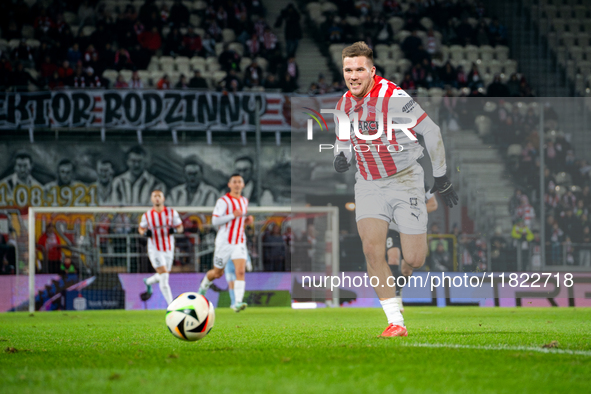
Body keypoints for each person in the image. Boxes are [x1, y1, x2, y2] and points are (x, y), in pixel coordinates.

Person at [332, 42, 458, 337]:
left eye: (359, 69)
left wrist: (440, 178)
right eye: (348, 70)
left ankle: (405, 267)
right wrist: (341, 158)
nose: (353, 75)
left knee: (415, 258)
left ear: (371, 71)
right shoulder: (342, 105)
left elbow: (431, 131)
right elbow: (343, 144)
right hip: (368, 183)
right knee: (371, 249)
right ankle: (395, 321)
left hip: (405, 179)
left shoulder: (393, 96)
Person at [198, 173, 253, 312]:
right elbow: (215, 221)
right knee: (217, 273)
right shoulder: (223, 201)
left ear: (243, 185)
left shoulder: (244, 201)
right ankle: (203, 286)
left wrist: (245, 221)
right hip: (224, 243)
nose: (237, 184)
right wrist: (232, 215)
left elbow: (238, 222)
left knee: (240, 271)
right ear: (229, 185)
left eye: (239, 181)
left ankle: (237, 303)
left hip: (239, 241)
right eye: (234, 181)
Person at [386, 187, 438, 312]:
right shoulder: (389, 177)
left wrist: (411, 212)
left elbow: (433, 204)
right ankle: (395, 296)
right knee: (393, 259)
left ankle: (399, 290)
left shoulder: (422, 181)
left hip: (411, 228)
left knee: (407, 269)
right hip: (392, 228)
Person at [138, 189, 183, 305]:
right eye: (155, 196)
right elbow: (141, 228)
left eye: (159, 196)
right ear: (152, 199)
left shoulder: (172, 213)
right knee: (164, 275)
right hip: (155, 249)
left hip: (168, 248)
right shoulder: (147, 215)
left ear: (163, 198)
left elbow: (180, 227)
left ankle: (148, 281)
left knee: (164, 274)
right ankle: (171, 305)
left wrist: (175, 230)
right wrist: (144, 233)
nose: (157, 198)